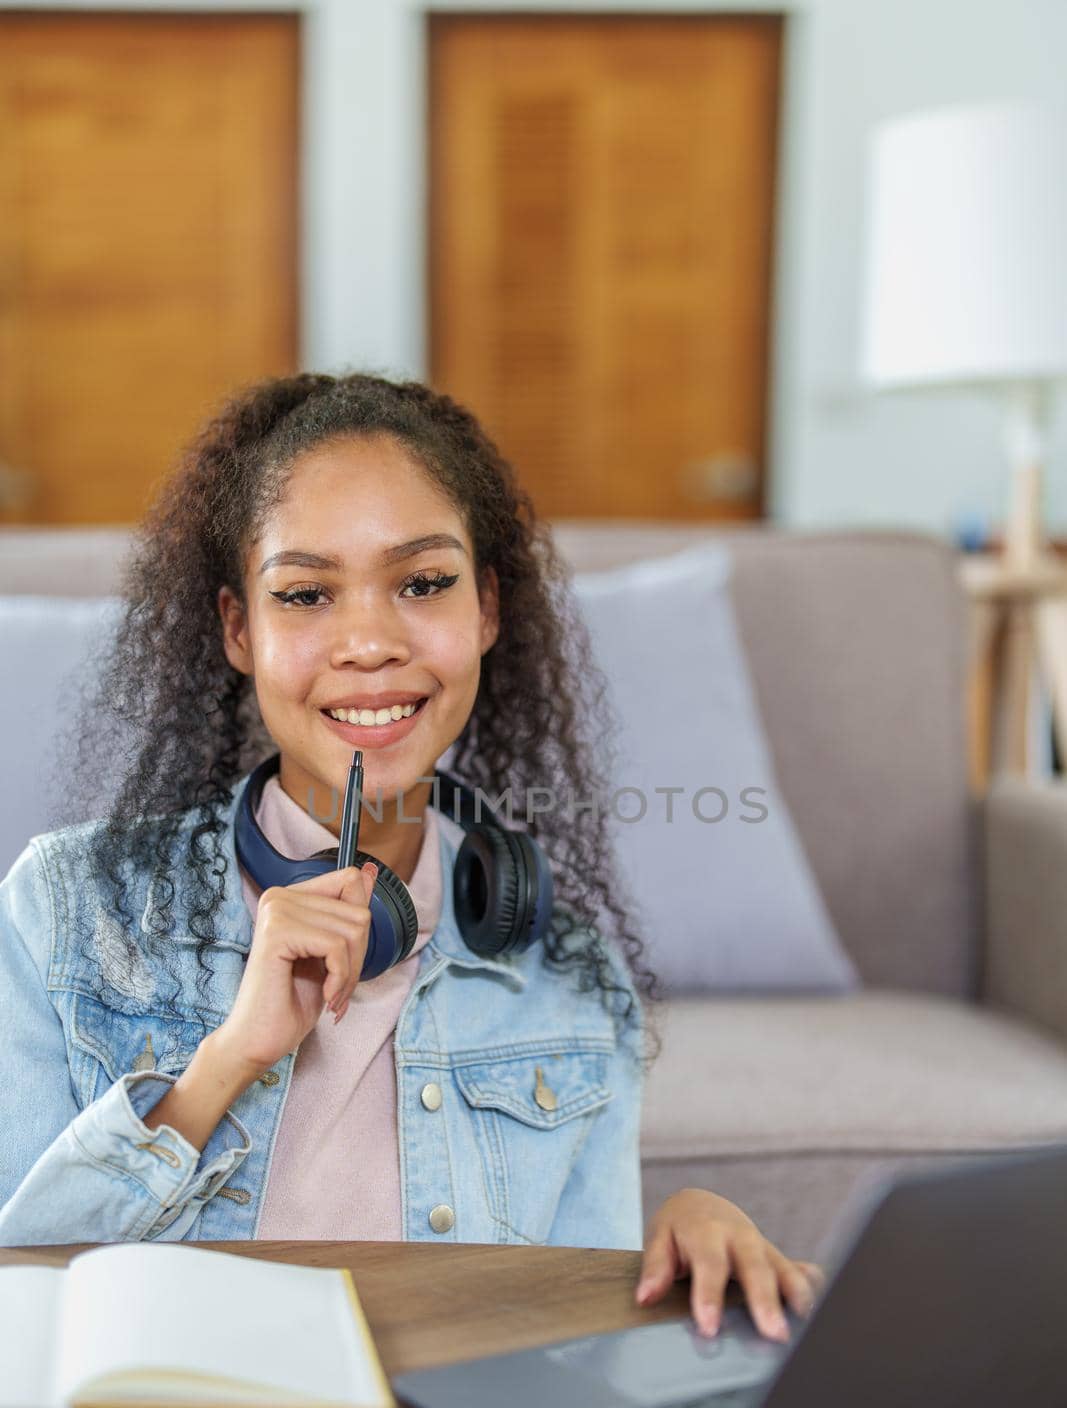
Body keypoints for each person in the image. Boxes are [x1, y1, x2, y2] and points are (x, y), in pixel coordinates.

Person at [0, 372, 822, 1341]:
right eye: (305, 593)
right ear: (239, 630)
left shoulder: (570, 983)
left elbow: (565, 1359)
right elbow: (21, 1312)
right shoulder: (63, 910)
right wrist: (225, 1065)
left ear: (484, 609)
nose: (368, 642)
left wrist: (679, 1237)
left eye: (422, 584)